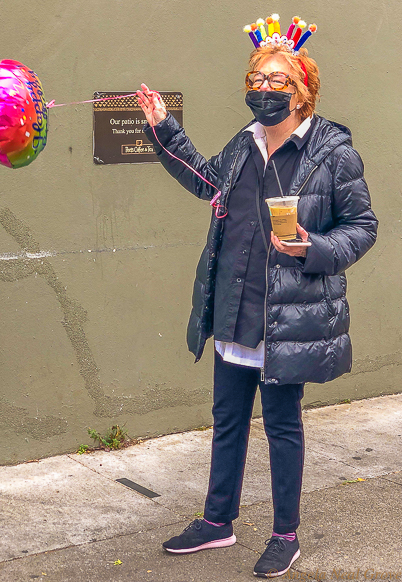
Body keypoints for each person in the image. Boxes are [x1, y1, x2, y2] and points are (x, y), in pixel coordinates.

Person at [136, 18, 378, 578]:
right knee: (227, 420)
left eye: (277, 82)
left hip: (287, 317)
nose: (263, 90)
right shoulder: (242, 145)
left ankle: (284, 534)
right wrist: (164, 129)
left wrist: (311, 247)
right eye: (256, 79)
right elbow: (207, 181)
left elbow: (362, 227)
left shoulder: (332, 154)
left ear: (303, 92)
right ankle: (218, 522)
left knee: (283, 427)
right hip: (235, 307)